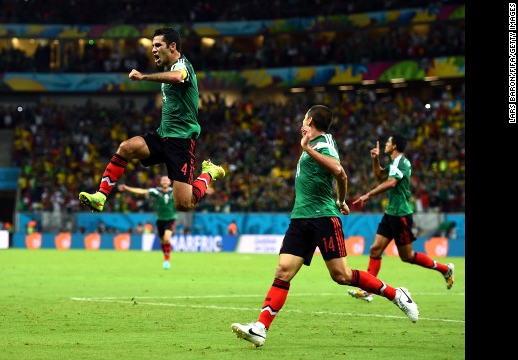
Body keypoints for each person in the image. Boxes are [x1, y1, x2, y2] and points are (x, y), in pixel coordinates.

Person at [230, 105, 419, 348]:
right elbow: (341, 178)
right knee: (283, 271)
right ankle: (260, 328)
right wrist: (341, 200)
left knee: (341, 275)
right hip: (300, 218)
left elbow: (339, 171)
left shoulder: (323, 143)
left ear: (310, 119)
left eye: (304, 117)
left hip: (322, 219)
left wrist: (308, 149)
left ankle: (397, 295)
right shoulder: (313, 142)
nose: (302, 122)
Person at [79, 27, 225, 213]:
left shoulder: (182, 65)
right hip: (162, 136)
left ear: (172, 46)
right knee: (126, 147)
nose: (153, 49)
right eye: (153, 46)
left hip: (181, 141)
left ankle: (209, 172)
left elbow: (178, 77)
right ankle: (101, 196)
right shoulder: (167, 69)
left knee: (183, 205)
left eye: (158, 45)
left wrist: (143, 76)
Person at [347, 135, 454, 303]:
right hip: (391, 213)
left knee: (408, 256)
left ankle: (445, 269)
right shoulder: (395, 163)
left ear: (395, 146)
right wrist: (375, 160)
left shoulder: (401, 162)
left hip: (401, 215)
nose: (386, 145)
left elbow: (391, 183)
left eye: (388, 142)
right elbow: (381, 177)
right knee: (375, 249)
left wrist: (369, 194)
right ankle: (368, 290)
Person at [117, 175, 177, 270]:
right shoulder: (156, 191)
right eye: (163, 180)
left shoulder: (174, 191)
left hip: (171, 218)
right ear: (160, 182)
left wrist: (202, 190)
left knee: (166, 238)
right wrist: (127, 188)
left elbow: (188, 192)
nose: (165, 181)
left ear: (170, 182)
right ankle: (165, 257)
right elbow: (142, 191)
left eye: (167, 180)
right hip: (160, 219)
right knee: (162, 241)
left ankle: (167, 259)